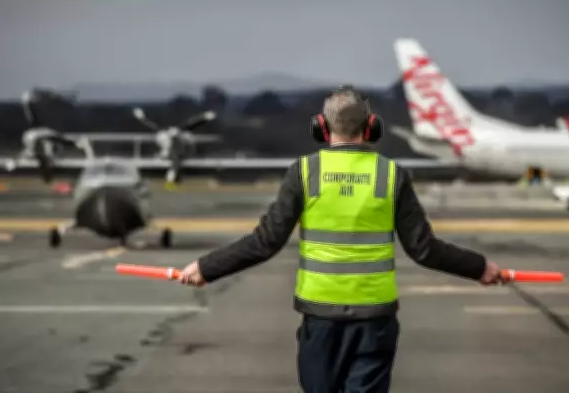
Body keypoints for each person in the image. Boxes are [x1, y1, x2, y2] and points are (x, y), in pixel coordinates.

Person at [177, 85, 502, 393]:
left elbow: (265, 242)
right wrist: (479, 267)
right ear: (371, 127)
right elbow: (424, 249)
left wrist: (207, 268)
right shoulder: (390, 174)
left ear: (321, 126)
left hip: (321, 320)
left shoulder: (304, 172)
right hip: (374, 321)